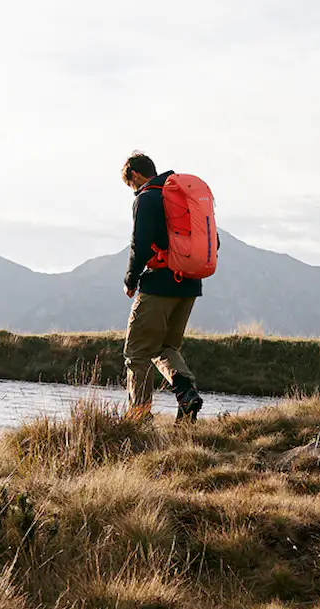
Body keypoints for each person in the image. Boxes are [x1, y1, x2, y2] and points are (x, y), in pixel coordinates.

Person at [120, 151, 204, 421]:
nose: (132, 189)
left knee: (137, 352)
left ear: (134, 174)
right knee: (166, 347)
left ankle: (139, 418)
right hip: (189, 283)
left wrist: (130, 280)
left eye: (129, 184)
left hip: (159, 284)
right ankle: (187, 394)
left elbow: (140, 244)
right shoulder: (184, 198)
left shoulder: (147, 198)